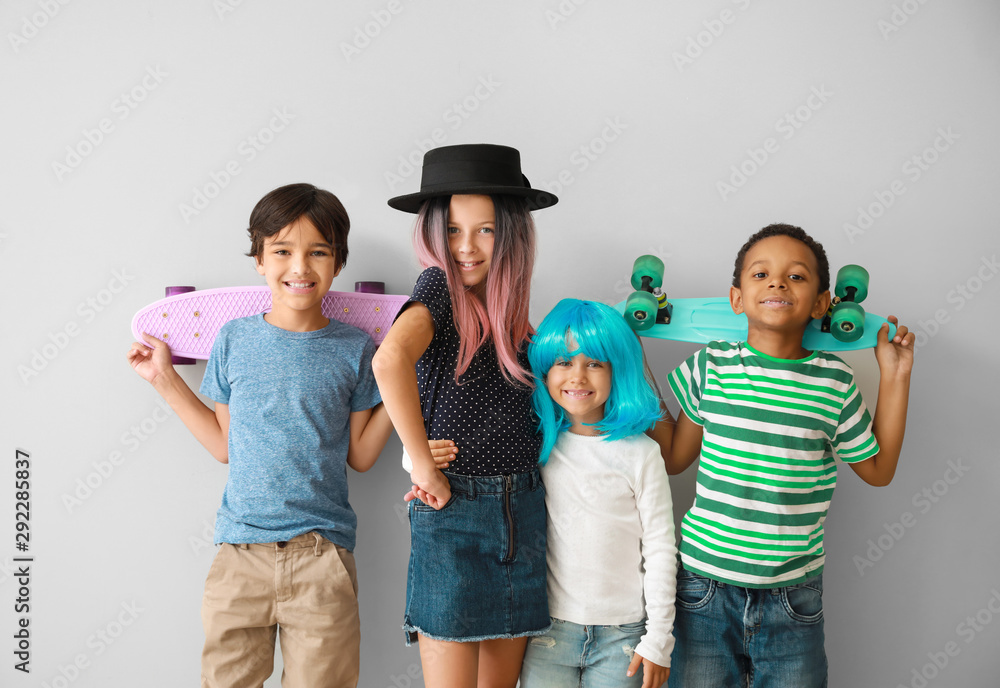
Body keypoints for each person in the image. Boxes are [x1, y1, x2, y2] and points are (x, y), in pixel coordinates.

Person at [126, 183, 393, 688]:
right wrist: (164, 379)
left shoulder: (355, 349)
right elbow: (222, 445)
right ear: (259, 259)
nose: (300, 267)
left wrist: (407, 385)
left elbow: (360, 455)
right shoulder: (234, 339)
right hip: (239, 557)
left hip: (322, 558)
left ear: (338, 263)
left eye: (318, 252)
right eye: (282, 251)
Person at [661, 223, 914, 687]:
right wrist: (630, 360)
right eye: (761, 274)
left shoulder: (833, 382)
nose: (777, 282)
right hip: (703, 586)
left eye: (796, 276)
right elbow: (675, 459)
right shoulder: (711, 366)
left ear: (822, 303)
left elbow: (878, 471)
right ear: (737, 299)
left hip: (793, 594)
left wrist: (895, 377)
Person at [373, 144, 558, 688]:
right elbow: (389, 360)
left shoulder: (506, 308)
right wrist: (420, 464)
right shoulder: (437, 287)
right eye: (453, 230)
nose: (466, 247)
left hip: (523, 508)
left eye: (485, 231)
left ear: (512, 235)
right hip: (455, 511)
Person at [517, 298, 676, 688]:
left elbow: (660, 548)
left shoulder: (642, 453)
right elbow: (469, 454)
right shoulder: (536, 447)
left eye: (595, 364)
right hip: (547, 630)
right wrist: (414, 461)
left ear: (616, 370)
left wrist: (658, 639)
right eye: (564, 362)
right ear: (544, 369)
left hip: (623, 635)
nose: (578, 376)